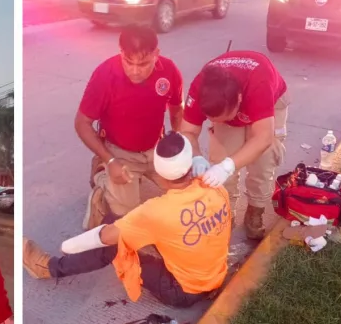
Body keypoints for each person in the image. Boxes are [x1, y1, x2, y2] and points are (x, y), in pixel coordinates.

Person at [23, 132, 231, 308]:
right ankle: (102, 203)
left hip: (181, 290)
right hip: (215, 276)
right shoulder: (215, 184)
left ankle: (50, 268)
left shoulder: (156, 211)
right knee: (138, 226)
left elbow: (105, 238)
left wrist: (69, 245)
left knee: (116, 241)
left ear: (159, 171)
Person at [76, 24, 184, 230]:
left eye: (143, 63)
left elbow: (177, 108)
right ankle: (102, 174)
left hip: (156, 149)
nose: (135, 71)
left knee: (185, 193)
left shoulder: (169, 71)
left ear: (156, 54)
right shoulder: (104, 75)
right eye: (128, 62)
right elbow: (82, 123)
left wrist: (177, 140)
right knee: (128, 220)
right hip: (119, 152)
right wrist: (111, 160)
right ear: (120, 53)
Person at [179, 51, 289, 240]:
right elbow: (188, 131)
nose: (220, 122)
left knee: (264, 160)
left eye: (226, 118)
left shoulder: (259, 85)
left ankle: (255, 209)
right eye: (213, 120)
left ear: (239, 99)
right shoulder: (200, 88)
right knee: (220, 155)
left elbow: (263, 138)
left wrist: (228, 166)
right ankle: (224, 212)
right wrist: (196, 156)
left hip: (269, 99)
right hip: (229, 102)